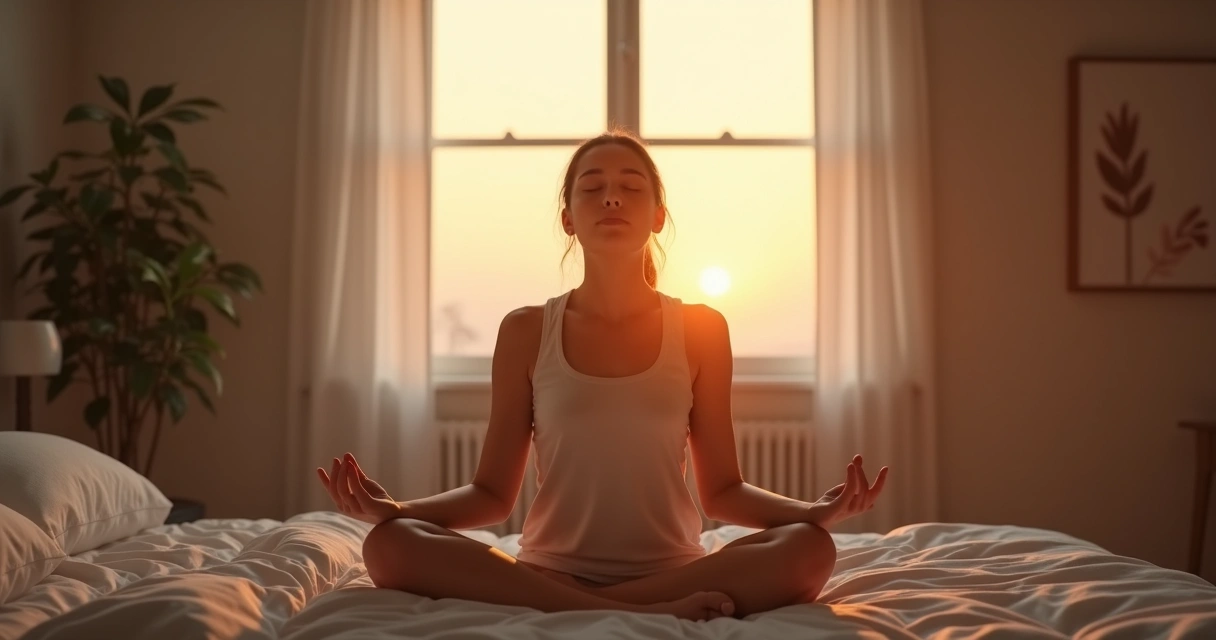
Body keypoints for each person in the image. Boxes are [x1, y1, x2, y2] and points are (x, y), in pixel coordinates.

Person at [316, 130, 889, 621]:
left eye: (631, 187)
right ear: (568, 217)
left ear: (657, 216)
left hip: (668, 569)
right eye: (592, 187)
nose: (611, 198)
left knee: (810, 550)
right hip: (553, 565)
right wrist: (398, 512)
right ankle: (621, 608)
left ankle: (573, 603)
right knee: (389, 545)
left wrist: (813, 514)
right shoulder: (525, 330)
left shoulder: (702, 329)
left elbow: (722, 492)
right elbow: (492, 496)